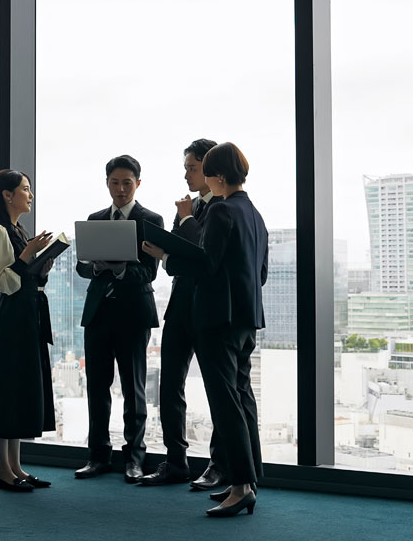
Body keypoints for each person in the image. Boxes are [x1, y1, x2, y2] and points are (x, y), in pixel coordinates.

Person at [142, 142, 268, 517]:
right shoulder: (255, 215)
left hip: (216, 321)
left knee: (226, 404)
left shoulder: (222, 210)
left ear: (216, 176)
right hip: (246, 320)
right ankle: (246, 481)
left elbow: (206, 263)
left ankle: (241, 485)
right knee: (242, 399)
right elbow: (258, 274)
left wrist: (166, 254)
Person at [138, 139, 225, 490]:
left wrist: (184, 225)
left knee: (218, 391)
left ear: (208, 168)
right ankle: (176, 461)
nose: (186, 174)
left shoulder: (222, 207)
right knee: (169, 385)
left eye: (191, 167)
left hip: (208, 310)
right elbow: (177, 261)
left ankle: (220, 464)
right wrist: (166, 255)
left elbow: (203, 255)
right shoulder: (187, 209)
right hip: (179, 308)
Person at [73, 155, 163, 483]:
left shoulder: (150, 219)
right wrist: (96, 267)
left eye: (127, 182)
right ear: (107, 183)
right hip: (98, 314)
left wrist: (122, 267)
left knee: (133, 389)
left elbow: (151, 272)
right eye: (115, 182)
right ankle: (97, 457)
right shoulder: (94, 219)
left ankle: (134, 460)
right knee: (97, 388)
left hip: (133, 316)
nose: (121, 189)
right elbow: (82, 266)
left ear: (138, 184)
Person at [0, 169, 58, 492]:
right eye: (25, 189)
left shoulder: (18, 230)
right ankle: (3, 473)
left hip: (27, 318)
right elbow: (5, 281)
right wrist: (28, 256)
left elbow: (26, 279)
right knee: (5, 396)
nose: (30, 195)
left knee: (19, 394)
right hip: (10, 321)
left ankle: (16, 467)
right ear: (7, 196)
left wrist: (42, 267)